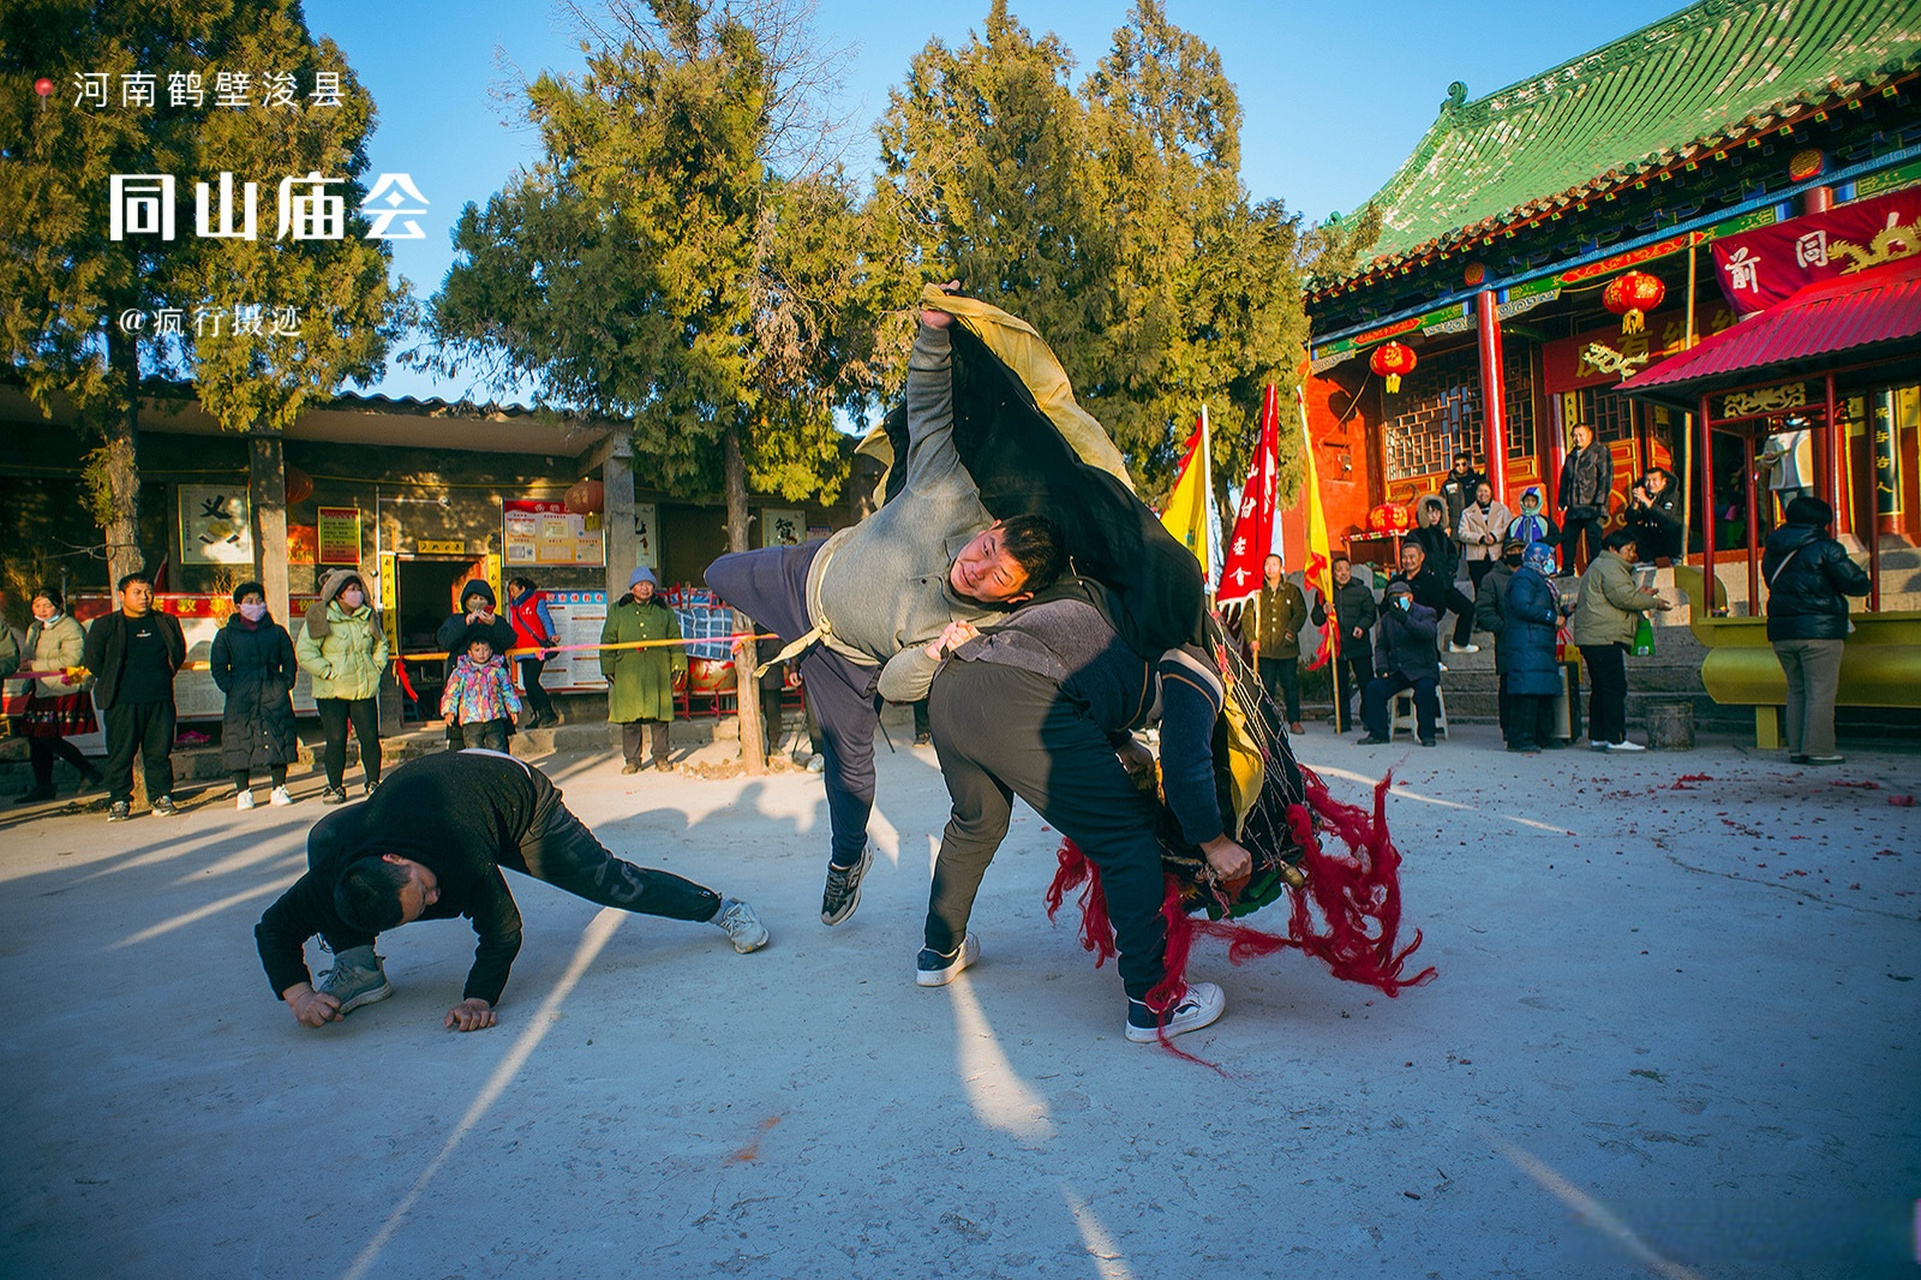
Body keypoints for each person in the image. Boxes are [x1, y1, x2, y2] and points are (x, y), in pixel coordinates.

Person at [704, 295, 1067, 927]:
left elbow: (898, 690)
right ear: (993, 526)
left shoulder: (978, 629)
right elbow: (928, 410)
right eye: (986, 549)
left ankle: (847, 859)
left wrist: (934, 651)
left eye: (995, 576)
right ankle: (767, 636)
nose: (975, 568)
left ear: (1018, 596)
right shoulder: (948, 489)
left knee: (851, 778)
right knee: (714, 574)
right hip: (802, 576)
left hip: (847, 667)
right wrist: (931, 334)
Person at [915, 576, 1243, 1042]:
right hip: (1017, 691)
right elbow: (1186, 758)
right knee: (1127, 835)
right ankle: (1155, 1002)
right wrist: (1215, 841)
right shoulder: (1199, 662)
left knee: (976, 821)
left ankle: (939, 951)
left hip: (954, 685)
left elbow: (1084, 675)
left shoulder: (1122, 621)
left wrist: (1123, 743)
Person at [253, 750, 769, 1033]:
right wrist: (298, 995)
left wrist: (478, 996)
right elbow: (274, 927)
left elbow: (503, 931)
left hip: (517, 800)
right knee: (322, 835)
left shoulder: (458, 859)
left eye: (428, 892)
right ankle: (360, 968)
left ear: (398, 860)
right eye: (419, 911)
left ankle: (721, 907)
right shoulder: (345, 861)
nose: (434, 903)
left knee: (610, 882)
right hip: (440, 791)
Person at [1761, 496, 1871, 765]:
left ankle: (1797, 748)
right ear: (1821, 522)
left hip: (1783, 630)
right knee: (1820, 691)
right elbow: (1855, 583)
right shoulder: (1826, 548)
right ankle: (1820, 750)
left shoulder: (1774, 548)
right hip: (1819, 631)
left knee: (1797, 690)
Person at [82, 571, 185, 822]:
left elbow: (178, 653)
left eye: (148, 592)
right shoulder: (106, 625)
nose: (144, 597)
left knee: (159, 752)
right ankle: (119, 799)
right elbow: (94, 661)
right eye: (137, 592)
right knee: (121, 753)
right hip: (121, 700)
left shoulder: (166, 622)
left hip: (159, 699)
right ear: (121, 595)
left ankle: (161, 796)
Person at [1570, 529, 1672, 752]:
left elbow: (1618, 594)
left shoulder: (1601, 565)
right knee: (1614, 687)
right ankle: (1616, 738)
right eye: (1629, 550)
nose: (1633, 554)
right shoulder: (1610, 566)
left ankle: (1598, 736)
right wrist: (1653, 603)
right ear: (1614, 549)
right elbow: (1623, 597)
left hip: (1594, 636)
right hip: (1603, 636)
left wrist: (1640, 594)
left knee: (1601, 688)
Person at [295, 568, 388, 804]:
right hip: (332, 691)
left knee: (369, 737)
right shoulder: (320, 615)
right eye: (351, 590)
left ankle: (373, 782)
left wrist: (376, 667)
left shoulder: (368, 616)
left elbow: (381, 645)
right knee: (336, 739)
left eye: (358, 589)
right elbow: (305, 651)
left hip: (363, 688)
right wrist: (327, 671)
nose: (357, 594)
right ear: (338, 594)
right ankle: (334, 786)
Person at [209, 582, 299, 810]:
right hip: (241, 694)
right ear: (238, 606)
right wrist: (231, 686)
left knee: (278, 736)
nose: (255, 605)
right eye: (249, 601)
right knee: (239, 738)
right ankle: (243, 791)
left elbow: (289, 660)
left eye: (259, 600)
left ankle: (279, 787)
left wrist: (285, 682)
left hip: (272, 690)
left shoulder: (277, 632)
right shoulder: (226, 635)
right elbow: (218, 667)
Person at [8, 587, 101, 803]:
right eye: (37, 605)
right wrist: (24, 663)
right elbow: (29, 652)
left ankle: (88, 770)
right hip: (40, 688)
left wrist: (35, 664)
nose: (42, 610)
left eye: (47, 605)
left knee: (46, 736)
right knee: (35, 737)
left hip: (62, 688)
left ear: (58, 606)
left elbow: (72, 659)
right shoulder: (34, 628)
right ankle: (44, 786)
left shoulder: (70, 627)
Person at [601, 566, 685, 773]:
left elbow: (675, 638)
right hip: (628, 670)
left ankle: (661, 757)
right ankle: (632, 760)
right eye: (640, 585)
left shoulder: (663, 610)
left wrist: (678, 663)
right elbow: (608, 640)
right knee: (630, 719)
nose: (645, 589)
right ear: (632, 588)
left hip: (657, 669)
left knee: (660, 718)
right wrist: (608, 667)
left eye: (648, 585)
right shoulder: (617, 610)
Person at [1503, 542, 1569, 753]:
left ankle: (1543, 735)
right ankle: (1520, 738)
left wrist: (1565, 611)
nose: (1552, 563)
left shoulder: (1540, 580)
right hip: (1527, 644)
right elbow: (1522, 606)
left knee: (1541, 692)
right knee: (1527, 693)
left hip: (1538, 644)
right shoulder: (1524, 578)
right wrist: (1551, 617)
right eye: (1549, 558)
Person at [1359, 579, 1441, 747]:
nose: (1396, 600)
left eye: (1400, 596)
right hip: (1399, 670)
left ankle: (1427, 734)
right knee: (1374, 688)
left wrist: (1405, 619)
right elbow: (1381, 645)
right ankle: (1378, 733)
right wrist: (1382, 667)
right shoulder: (1388, 618)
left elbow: (1427, 633)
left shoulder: (1426, 613)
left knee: (1425, 690)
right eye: (1392, 597)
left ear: (1410, 597)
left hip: (1422, 668)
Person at [1238, 553, 1308, 734]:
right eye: (1268, 564)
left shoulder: (1292, 590)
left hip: (1287, 649)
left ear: (1281, 567)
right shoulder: (1257, 593)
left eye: (1275, 564)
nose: (1271, 568)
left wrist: (1290, 631)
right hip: (1265, 649)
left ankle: (1294, 721)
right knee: (1266, 686)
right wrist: (1251, 639)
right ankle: (1267, 721)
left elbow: (1300, 613)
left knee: (1290, 685)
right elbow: (1247, 617)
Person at [1310, 555, 1378, 732]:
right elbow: (1316, 619)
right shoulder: (1325, 593)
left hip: (1359, 644)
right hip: (1336, 646)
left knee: (1367, 684)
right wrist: (1323, 611)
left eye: (1346, 569)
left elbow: (1370, 614)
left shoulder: (1361, 590)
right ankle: (1343, 721)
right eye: (1339, 570)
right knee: (1339, 687)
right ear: (1332, 572)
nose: (1343, 573)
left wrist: (1361, 627)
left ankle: (1370, 719)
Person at [1473, 537, 1525, 735]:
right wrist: (1502, 628)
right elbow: (1484, 609)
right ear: (1504, 554)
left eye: (1520, 549)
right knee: (1508, 684)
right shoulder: (1492, 578)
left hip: (1529, 639)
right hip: (1507, 640)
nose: (1517, 554)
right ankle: (1509, 728)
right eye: (1513, 550)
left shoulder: (1530, 574)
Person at [442, 627, 522, 752]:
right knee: (474, 752)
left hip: (494, 718)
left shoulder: (498, 671)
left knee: (498, 749)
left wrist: (513, 709)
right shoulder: (461, 672)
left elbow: (508, 690)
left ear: (491, 652)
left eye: (485, 650)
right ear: (469, 652)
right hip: (471, 720)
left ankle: (499, 771)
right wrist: (449, 712)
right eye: (477, 650)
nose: (482, 653)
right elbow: (451, 693)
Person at [1396, 539, 1477, 653]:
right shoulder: (1396, 582)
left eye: (1412, 557)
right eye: (1404, 557)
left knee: (1467, 608)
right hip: (1400, 632)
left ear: (1421, 557)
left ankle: (1459, 643)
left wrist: (1450, 570)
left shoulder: (1431, 581)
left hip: (1443, 584)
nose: (1408, 561)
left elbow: (1439, 607)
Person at [1557, 423, 1613, 574]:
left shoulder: (1600, 451)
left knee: (1593, 538)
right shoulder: (1571, 456)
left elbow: (1605, 476)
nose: (1577, 438)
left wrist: (1600, 500)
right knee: (1567, 538)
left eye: (1581, 435)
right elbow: (1565, 480)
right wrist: (1562, 501)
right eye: (1574, 435)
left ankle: (1596, 569)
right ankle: (1568, 568)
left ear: (1590, 435)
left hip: (1593, 505)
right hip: (1575, 507)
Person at [506, 576, 561, 729]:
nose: (511, 593)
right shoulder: (514, 607)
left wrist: (552, 635)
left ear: (522, 588)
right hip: (522, 650)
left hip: (537, 650)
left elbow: (546, 620)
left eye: (513, 589)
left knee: (532, 681)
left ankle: (548, 713)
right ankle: (538, 715)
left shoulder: (537, 602)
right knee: (528, 685)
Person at [1456, 480, 1514, 594]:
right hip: (1476, 558)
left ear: (1491, 492)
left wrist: (1494, 536)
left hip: (1497, 555)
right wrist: (1480, 538)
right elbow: (1462, 533)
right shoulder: (1467, 513)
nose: (1483, 494)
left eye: (1486, 491)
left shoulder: (1502, 510)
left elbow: (1509, 527)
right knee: (1480, 588)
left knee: (1501, 587)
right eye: (1479, 491)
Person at [1626, 468, 1684, 564]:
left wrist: (1648, 503)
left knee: (1673, 528)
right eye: (1648, 481)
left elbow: (1667, 517)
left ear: (1664, 482)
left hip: (1670, 537)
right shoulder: (1646, 495)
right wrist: (1635, 504)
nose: (1651, 484)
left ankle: (1676, 558)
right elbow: (1630, 519)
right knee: (1631, 530)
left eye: (1654, 480)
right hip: (1653, 538)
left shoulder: (1672, 495)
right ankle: (1647, 560)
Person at [1409, 494, 1459, 584]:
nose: (1434, 516)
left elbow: (1452, 554)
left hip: (1445, 581)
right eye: (1430, 512)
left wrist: (1450, 570)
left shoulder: (1442, 535)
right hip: (1424, 583)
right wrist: (1426, 572)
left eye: (1437, 512)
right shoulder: (1415, 535)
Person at [1440, 453, 1486, 537]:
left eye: (1463, 464)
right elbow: (1443, 506)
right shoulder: (1447, 485)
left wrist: (1486, 460)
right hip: (1455, 526)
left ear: (1468, 464)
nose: (1461, 467)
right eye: (1457, 464)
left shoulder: (1476, 480)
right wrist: (1445, 526)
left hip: (1473, 522)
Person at [1507, 487, 1559, 556]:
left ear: (1538, 502)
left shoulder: (1544, 522)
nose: (1529, 503)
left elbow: (1556, 536)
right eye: (1527, 500)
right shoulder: (1515, 523)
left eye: (1533, 501)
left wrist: (1542, 542)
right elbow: (1507, 540)